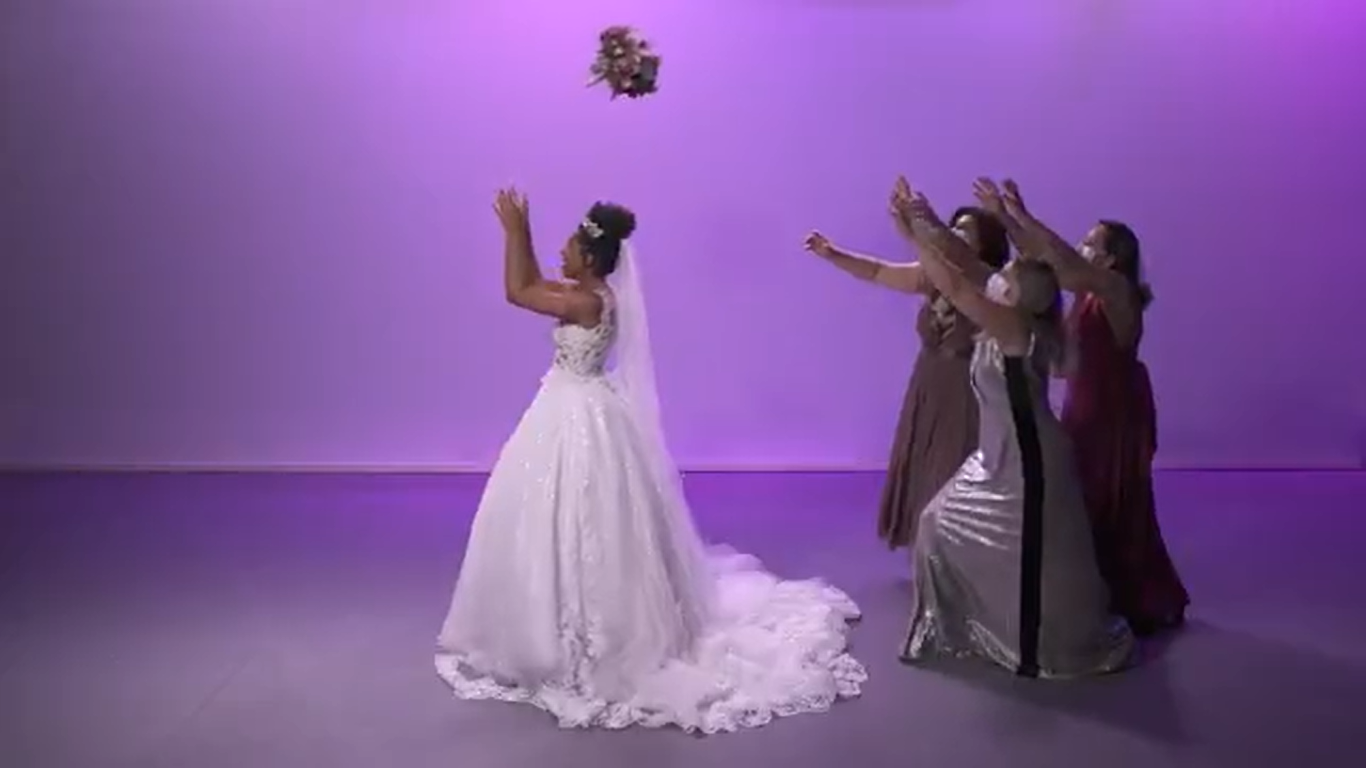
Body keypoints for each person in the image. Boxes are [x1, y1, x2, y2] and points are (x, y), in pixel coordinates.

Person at [434, 189, 866, 733]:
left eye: (568, 248)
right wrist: (522, 235)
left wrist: (516, 232)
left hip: (575, 411)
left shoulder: (588, 303)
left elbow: (517, 291)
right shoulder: (588, 293)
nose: (560, 254)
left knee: (577, 517)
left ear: (589, 258)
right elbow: (531, 285)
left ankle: (583, 634)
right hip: (577, 405)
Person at [890, 178, 1133, 677]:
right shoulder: (1014, 313)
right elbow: (968, 267)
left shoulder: (1012, 326)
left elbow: (958, 286)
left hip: (1028, 460)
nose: (998, 279)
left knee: (1031, 557)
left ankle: (1031, 644)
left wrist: (915, 236)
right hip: (999, 453)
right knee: (937, 524)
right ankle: (974, 622)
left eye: (1008, 278)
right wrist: (923, 223)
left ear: (1023, 297)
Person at [971, 178, 1189, 635]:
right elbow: (1048, 262)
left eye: (1092, 243)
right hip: (1088, 403)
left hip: (1112, 412)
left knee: (1109, 499)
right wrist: (1008, 218)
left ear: (1111, 258)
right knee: (1084, 497)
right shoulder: (1091, 289)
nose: (1082, 247)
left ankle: (1121, 595)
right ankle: (1094, 591)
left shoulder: (1114, 288)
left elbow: (1063, 261)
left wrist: (1018, 215)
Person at [803, 208, 1010, 550]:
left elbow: (963, 293)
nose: (955, 234)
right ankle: (928, 548)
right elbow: (878, 271)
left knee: (953, 462)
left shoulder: (990, 284)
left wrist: (915, 236)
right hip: (929, 382)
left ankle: (959, 550)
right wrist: (832, 254)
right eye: (954, 228)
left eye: (966, 231)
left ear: (985, 243)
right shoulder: (933, 277)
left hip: (966, 388)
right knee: (926, 462)